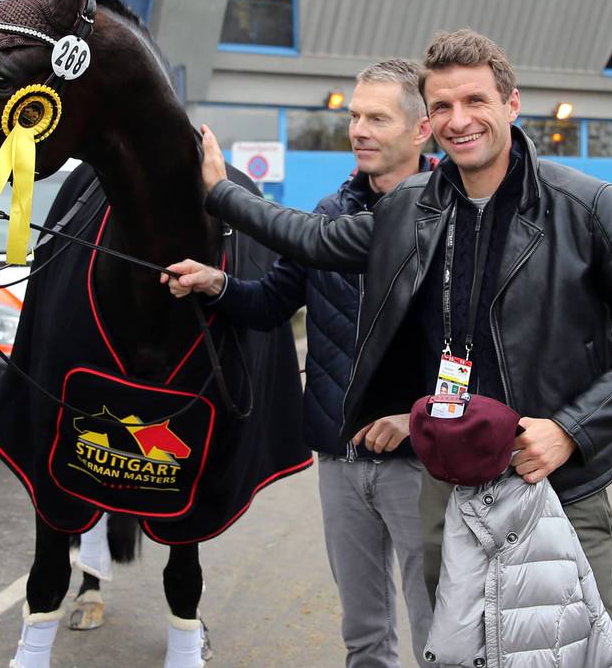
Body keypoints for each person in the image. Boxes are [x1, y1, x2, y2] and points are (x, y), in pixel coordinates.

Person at [187, 29, 612, 628]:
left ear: (510, 105)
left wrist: (570, 430)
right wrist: (220, 193)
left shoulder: (587, 206)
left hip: (559, 483)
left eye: (475, 101)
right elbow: (314, 239)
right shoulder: (410, 208)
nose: (460, 120)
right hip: (449, 481)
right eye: (443, 106)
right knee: (457, 645)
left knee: (570, 647)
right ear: (430, 119)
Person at [165, 59, 435, 667]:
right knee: (363, 634)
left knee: (439, 630)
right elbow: (268, 306)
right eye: (354, 116)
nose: (359, 130)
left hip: (422, 462)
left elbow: (471, 346)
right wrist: (216, 283)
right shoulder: (328, 209)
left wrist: (421, 417)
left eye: (378, 118)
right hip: (341, 456)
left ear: (421, 131)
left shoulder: (449, 217)